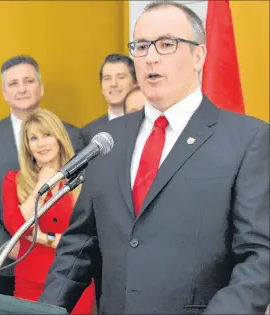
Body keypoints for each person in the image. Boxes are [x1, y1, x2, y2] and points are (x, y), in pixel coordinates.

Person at [39, 2, 269, 314]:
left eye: (166, 44)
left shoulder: (246, 139)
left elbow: (260, 256)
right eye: (141, 46)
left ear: (198, 55)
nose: (150, 56)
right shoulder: (108, 140)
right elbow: (79, 247)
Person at [0, 55, 84, 296]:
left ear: (40, 87)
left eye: (28, 81)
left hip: (63, 263)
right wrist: (9, 246)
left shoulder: (73, 136)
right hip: (2, 262)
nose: (21, 89)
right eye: (13, 84)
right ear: (4, 92)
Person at [2, 109, 94, 313]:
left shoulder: (82, 179)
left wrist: (42, 237)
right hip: (30, 281)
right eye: (33, 138)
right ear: (27, 146)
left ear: (59, 138)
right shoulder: (13, 181)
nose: (41, 143)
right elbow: (17, 227)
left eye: (46, 135)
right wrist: (40, 187)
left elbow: (87, 234)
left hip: (74, 281)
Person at [81, 53, 137, 144]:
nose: (113, 84)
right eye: (107, 78)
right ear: (101, 87)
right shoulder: (87, 134)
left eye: (121, 77)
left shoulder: (152, 124)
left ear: (135, 83)